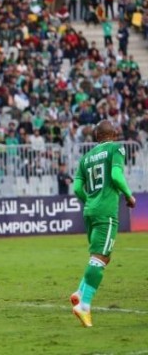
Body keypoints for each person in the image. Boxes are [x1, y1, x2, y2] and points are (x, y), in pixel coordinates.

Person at [71, 120, 136, 327]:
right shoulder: (116, 149)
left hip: (89, 211)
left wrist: (90, 200)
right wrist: (129, 195)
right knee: (99, 258)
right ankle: (84, 306)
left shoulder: (86, 157)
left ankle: (80, 292)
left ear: (96, 136)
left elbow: (77, 188)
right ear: (114, 134)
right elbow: (116, 176)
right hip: (106, 212)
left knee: (102, 257)